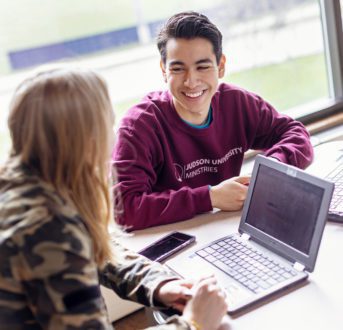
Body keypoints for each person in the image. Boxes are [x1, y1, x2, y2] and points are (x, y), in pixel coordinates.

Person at [0, 68, 228, 329]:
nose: (114, 136)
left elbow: (98, 251)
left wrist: (158, 284)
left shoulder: (25, 186)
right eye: (108, 126)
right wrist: (194, 323)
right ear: (85, 140)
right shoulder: (48, 229)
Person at [113, 11, 314, 230]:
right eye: (178, 69)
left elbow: (296, 133)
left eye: (202, 66)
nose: (191, 82)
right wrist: (210, 197)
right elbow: (124, 210)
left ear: (221, 66)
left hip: (225, 230)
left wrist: (271, 170)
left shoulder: (236, 103)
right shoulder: (139, 126)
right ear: (164, 71)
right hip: (171, 240)